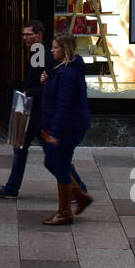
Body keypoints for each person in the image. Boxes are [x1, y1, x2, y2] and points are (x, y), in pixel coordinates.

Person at [0, 20, 90, 201]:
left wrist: (31, 91)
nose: (25, 38)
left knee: (53, 158)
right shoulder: (44, 55)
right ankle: (14, 187)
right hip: (37, 113)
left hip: (41, 115)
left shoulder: (51, 60)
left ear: (40, 34)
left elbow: (60, 97)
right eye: (24, 35)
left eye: (29, 34)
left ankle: (77, 190)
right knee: (26, 150)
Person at [40, 34, 92, 227]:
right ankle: (79, 194)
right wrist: (48, 82)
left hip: (67, 129)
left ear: (65, 50)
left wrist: (55, 132)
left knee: (59, 164)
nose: (51, 50)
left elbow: (64, 105)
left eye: (55, 47)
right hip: (67, 127)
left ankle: (65, 212)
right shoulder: (63, 70)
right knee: (52, 161)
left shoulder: (68, 74)